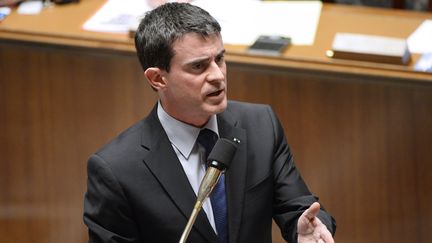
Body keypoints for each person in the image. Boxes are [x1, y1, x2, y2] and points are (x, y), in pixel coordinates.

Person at [83, 2, 336, 243]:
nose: (217, 75)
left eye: (220, 59)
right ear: (158, 79)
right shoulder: (116, 170)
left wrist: (307, 229)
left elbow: (298, 206)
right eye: (199, 66)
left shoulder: (260, 125)